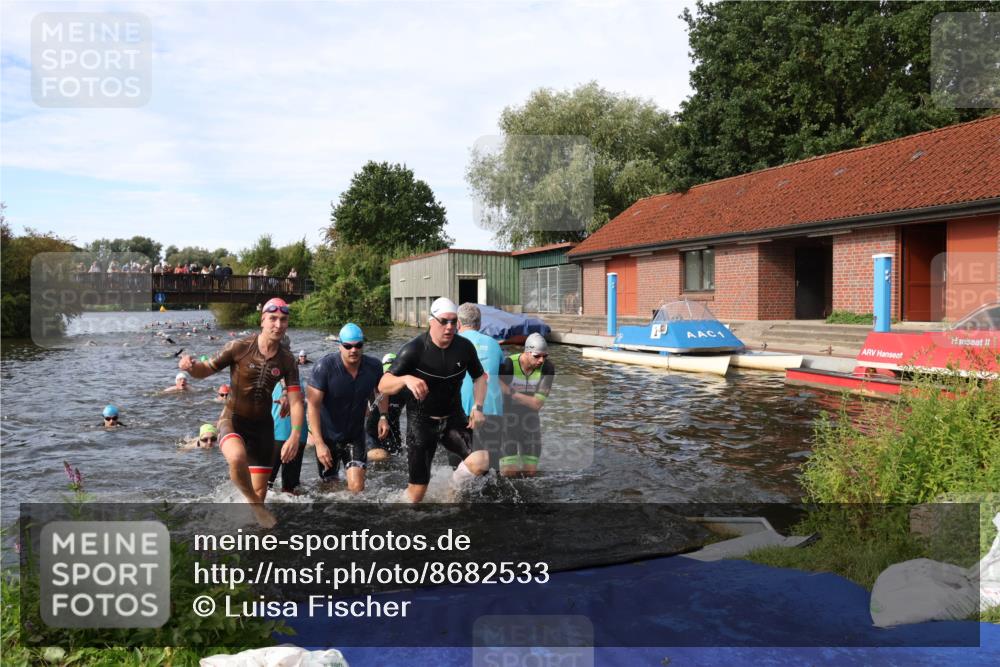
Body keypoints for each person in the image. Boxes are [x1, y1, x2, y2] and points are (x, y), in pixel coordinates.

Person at [179, 297, 303, 528]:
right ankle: (255, 507)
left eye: (283, 320)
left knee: (260, 494)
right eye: (273, 319)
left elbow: (296, 402)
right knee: (237, 458)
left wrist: (295, 435)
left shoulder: (287, 360)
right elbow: (205, 370)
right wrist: (191, 367)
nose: (278, 325)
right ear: (262, 320)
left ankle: (251, 539)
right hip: (233, 420)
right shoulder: (239, 347)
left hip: (263, 428)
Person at [379, 297, 490, 503]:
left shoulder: (464, 347)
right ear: (431, 321)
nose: (449, 327)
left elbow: (480, 378)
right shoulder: (414, 349)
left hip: (453, 419)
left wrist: (478, 406)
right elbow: (383, 384)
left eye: (453, 321)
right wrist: (405, 379)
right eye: (443, 321)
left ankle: (450, 490)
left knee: (481, 460)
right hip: (421, 423)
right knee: (416, 495)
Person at [306, 323, 388, 493]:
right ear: (340, 346)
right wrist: (319, 443)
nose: (353, 350)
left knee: (357, 488)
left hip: (355, 436)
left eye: (358, 345)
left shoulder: (373, 366)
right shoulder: (324, 367)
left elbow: (381, 391)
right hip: (328, 438)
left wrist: (383, 416)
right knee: (330, 490)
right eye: (348, 346)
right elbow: (313, 406)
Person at [456, 303, 505, 471]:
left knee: (459, 466)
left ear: (458, 323)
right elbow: (501, 372)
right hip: (492, 411)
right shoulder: (494, 344)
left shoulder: (453, 343)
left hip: (462, 411)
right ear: (480, 323)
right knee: (491, 466)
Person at [498, 333, 555, 477]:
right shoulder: (508, 365)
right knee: (509, 472)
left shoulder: (547, 368)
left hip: (530, 422)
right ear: (526, 352)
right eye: (537, 356)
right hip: (507, 422)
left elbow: (537, 404)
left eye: (545, 356)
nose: (541, 360)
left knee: (530, 472)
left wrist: (510, 392)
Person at [268, 377, 309, 494]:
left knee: (263, 485)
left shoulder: (276, 379)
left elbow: (284, 380)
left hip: (277, 434)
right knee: (290, 490)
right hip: (299, 436)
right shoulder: (301, 381)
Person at [366, 352, 406, 462]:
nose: (391, 379)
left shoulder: (405, 389)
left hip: (392, 431)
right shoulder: (373, 387)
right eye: (388, 374)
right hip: (371, 432)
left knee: (400, 458)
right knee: (380, 456)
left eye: (395, 374)